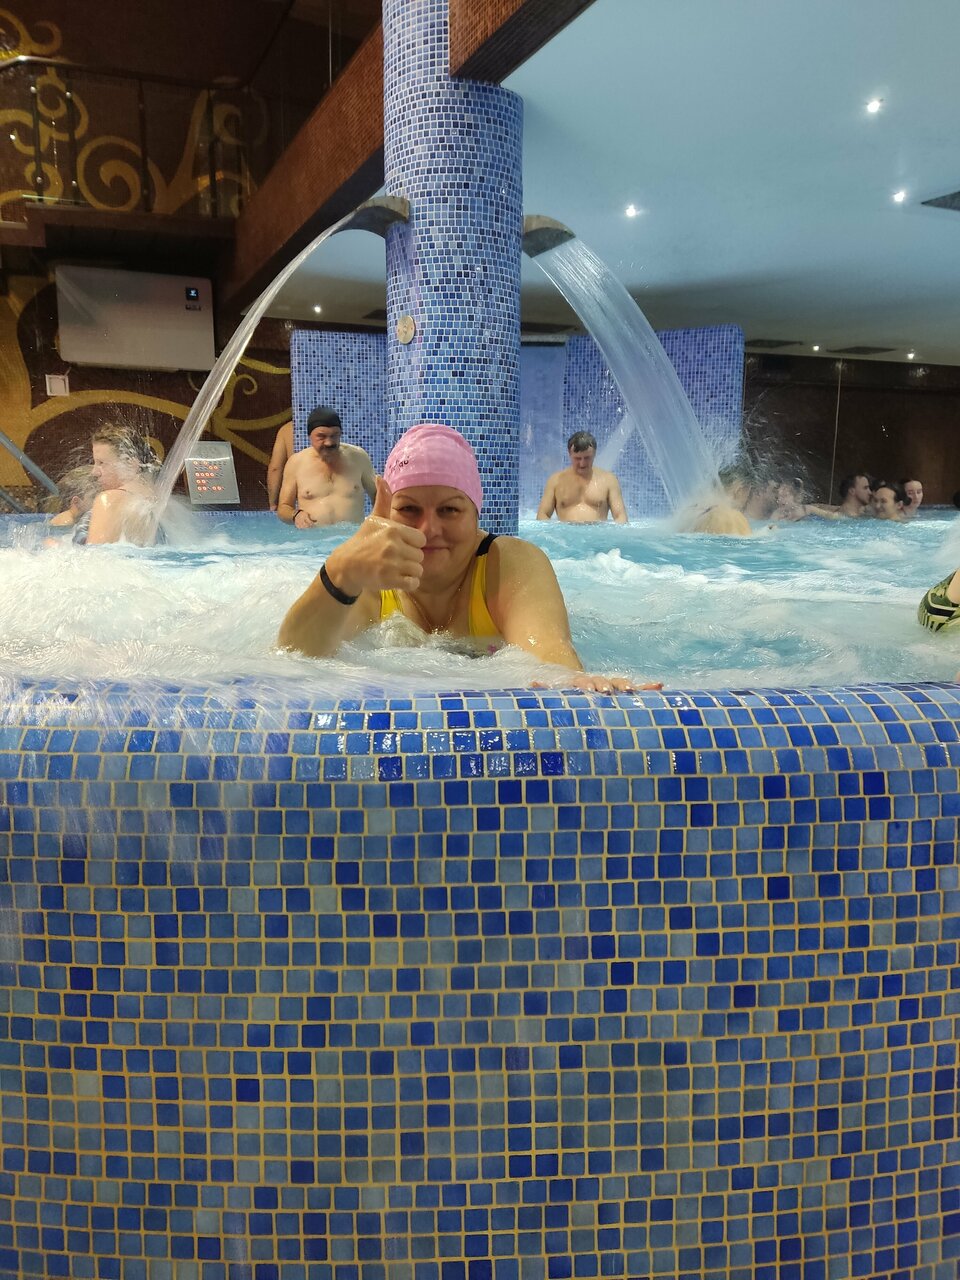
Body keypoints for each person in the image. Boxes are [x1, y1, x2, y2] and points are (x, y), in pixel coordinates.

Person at [278, 422, 660, 693]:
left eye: (449, 510)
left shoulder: (509, 563)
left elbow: (548, 649)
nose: (428, 529)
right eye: (409, 509)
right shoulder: (370, 577)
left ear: (476, 515)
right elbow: (295, 659)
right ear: (386, 511)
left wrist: (572, 680)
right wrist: (340, 571)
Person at [277, 407, 377, 527]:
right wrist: (296, 515)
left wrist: (377, 523)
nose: (329, 442)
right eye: (321, 436)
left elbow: (378, 495)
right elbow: (283, 508)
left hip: (352, 536)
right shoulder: (296, 463)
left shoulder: (359, 458)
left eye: (334, 435)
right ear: (310, 436)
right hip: (313, 537)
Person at [84, 426, 162, 545]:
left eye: (101, 463)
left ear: (130, 464)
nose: (94, 472)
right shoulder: (161, 503)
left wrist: (56, 546)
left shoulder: (109, 499)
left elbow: (95, 553)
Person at [536, 431, 628, 524]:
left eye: (587, 458)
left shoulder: (609, 480)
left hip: (597, 531)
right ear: (569, 454)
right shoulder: (555, 481)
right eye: (577, 458)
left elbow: (620, 516)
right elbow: (542, 515)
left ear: (594, 454)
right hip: (565, 532)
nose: (582, 463)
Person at [49, 465, 99, 530]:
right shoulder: (67, 522)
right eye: (93, 497)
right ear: (76, 502)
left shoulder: (76, 519)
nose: (99, 500)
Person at [266, 420, 294, 511]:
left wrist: (272, 503)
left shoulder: (287, 429)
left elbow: (275, 469)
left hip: (298, 499)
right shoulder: (331, 428)